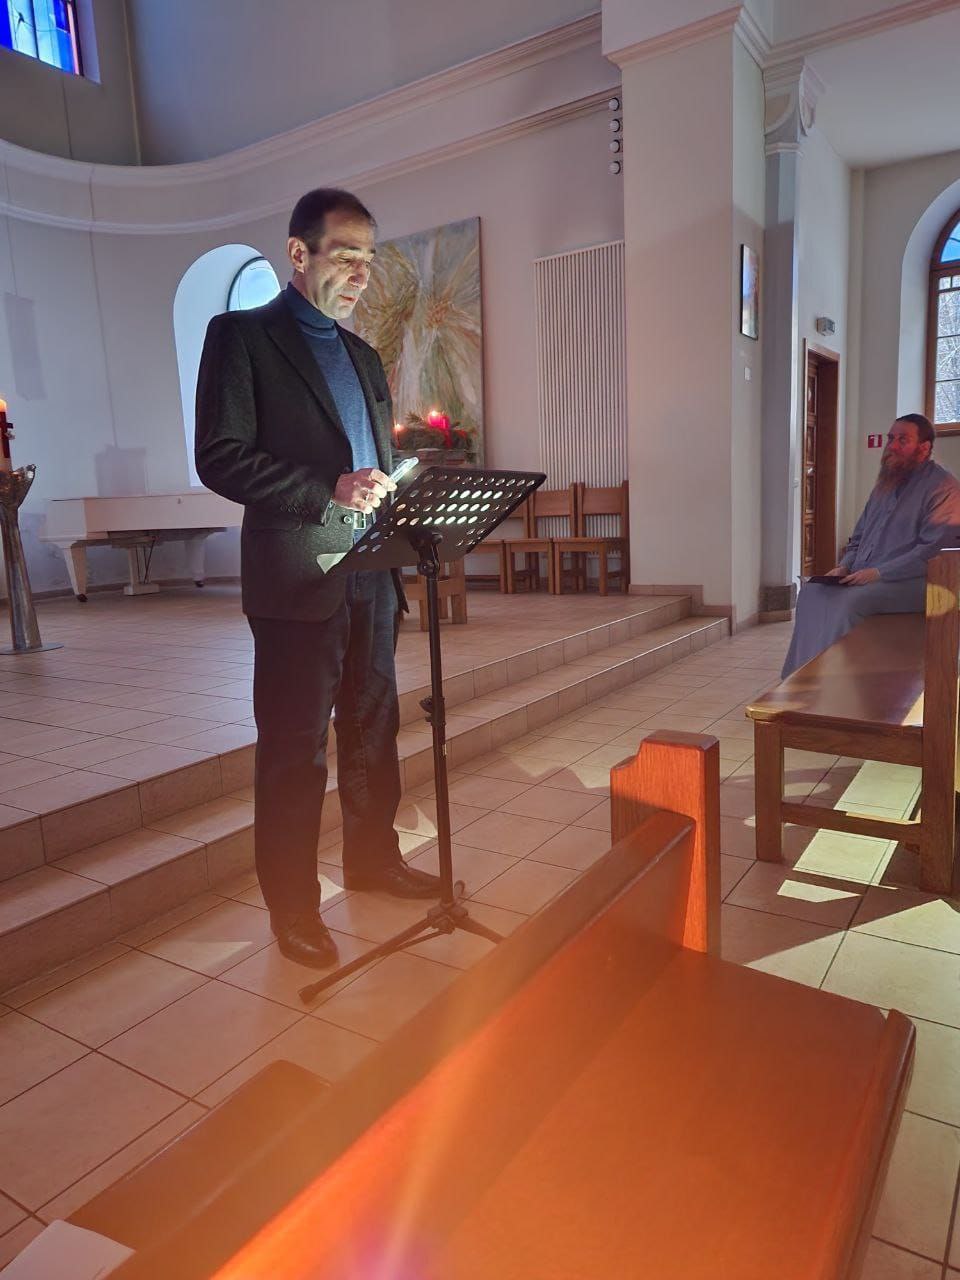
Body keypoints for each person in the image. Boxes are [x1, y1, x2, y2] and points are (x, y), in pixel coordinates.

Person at [195, 188, 440, 970]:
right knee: (295, 751)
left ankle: (372, 860)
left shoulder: (363, 355)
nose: (361, 274)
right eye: (345, 255)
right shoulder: (242, 337)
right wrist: (323, 490)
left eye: (369, 258)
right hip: (299, 573)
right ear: (299, 254)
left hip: (368, 568)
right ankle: (294, 908)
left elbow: (368, 457)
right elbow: (219, 456)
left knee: (373, 727)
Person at [781, 413, 960, 678]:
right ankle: (800, 677)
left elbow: (932, 552)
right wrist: (844, 567)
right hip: (866, 576)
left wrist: (878, 573)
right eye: (890, 438)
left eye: (903, 440)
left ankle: (836, 681)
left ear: (924, 448)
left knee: (850, 602)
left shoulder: (944, 488)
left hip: (917, 583)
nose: (892, 446)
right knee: (811, 593)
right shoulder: (884, 486)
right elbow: (858, 538)